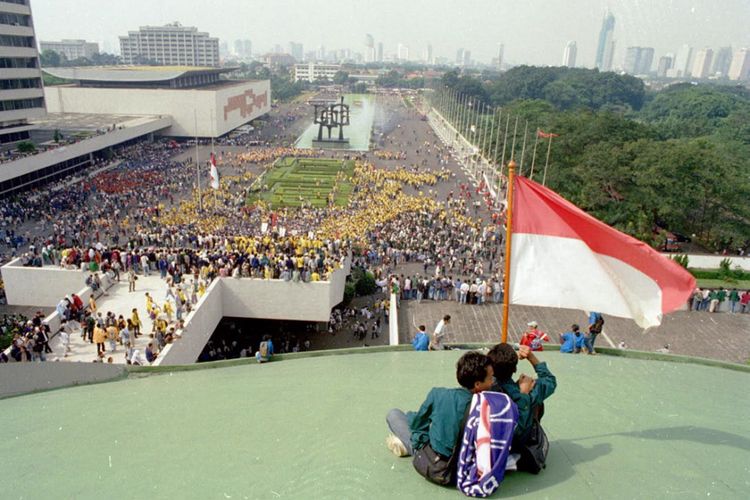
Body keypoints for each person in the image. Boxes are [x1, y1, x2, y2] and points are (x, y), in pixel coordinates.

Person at [385, 351, 494, 459]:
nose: (492, 382)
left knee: (394, 414)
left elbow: (417, 425)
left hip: (435, 463)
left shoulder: (438, 395)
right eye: (491, 378)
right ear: (477, 384)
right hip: (465, 464)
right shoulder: (490, 407)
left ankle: (408, 447)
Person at [487, 343, 556, 449]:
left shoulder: (482, 386)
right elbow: (550, 381)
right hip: (515, 441)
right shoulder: (520, 392)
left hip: (489, 438)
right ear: (514, 369)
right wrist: (531, 357)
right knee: (537, 402)